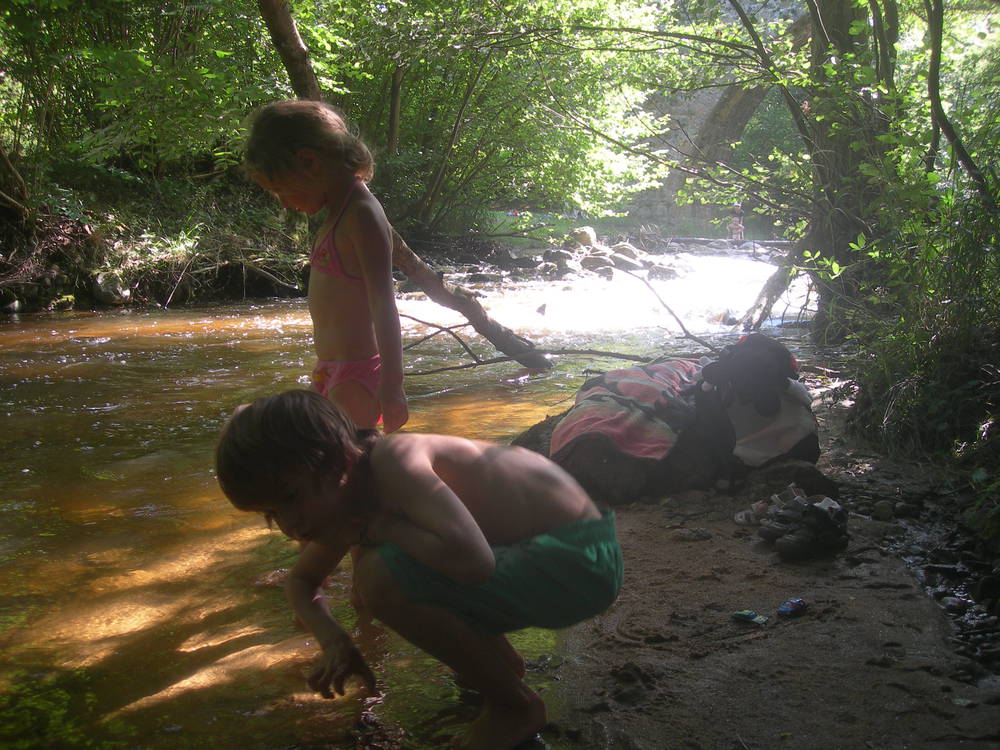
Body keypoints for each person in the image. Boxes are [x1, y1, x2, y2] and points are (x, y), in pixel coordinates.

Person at [215, 389, 623, 750]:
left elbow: (475, 563)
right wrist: (334, 640)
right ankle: (501, 671)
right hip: (548, 556)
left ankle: (513, 707)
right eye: (270, 512)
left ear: (336, 460)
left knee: (378, 577)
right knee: (395, 566)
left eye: (290, 497)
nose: (289, 523)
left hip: (580, 561)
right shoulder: (338, 493)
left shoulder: (395, 460)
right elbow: (302, 583)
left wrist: (386, 529)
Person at [244, 99, 408, 434]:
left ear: (309, 162)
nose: (284, 202)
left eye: (282, 190)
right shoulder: (338, 212)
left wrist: (392, 387)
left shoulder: (362, 214)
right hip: (332, 369)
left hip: (357, 374)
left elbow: (384, 303)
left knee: (353, 462)